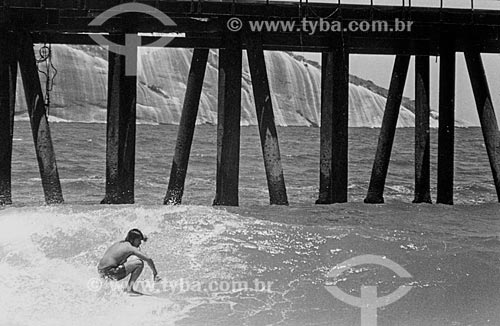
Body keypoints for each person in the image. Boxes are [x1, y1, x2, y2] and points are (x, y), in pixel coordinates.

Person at [98, 229, 162, 293]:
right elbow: (149, 259)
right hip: (110, 273)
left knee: (124, 260)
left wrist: (142, 238)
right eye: (139, 240)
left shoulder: (120, 243)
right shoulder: (130, 248)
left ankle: (109, 286)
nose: (140, 243)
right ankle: (129, 289)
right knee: (139, 263)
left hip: (101, 272)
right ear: (132, 240)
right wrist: (155, 273)